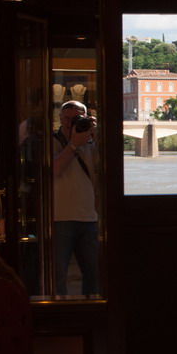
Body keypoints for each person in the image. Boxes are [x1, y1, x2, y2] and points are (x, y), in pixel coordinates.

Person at [51, 100, 99, 299]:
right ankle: (58, 309)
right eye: (67, 118)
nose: (71, 123)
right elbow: (53, 170)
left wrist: (96, 134)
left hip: (88, 217)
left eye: (77, 118)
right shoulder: (51, 141)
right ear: (60, 118)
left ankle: (92, 309)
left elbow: (107, 167)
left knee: (94, 274)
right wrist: (73, 145)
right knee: (57, 275)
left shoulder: (91, 142)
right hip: (59, 218)